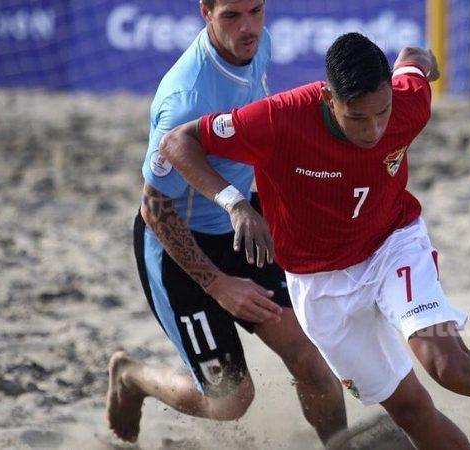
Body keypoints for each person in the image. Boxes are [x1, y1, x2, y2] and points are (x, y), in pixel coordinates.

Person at [158, 32, 470, 450]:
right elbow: (178, 141)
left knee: (449, 365)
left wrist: (419, 59)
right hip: (318, 283)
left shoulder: (409, 102)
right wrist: (235, 204)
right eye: (357, 118)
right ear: (328, 98)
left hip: (391, 245)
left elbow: (413, 60)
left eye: (382, 113)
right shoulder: (279, 118)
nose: (373, 130)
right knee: (411, 411)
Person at [105, 0, 346, 444]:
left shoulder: (258, 44)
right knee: (232, 400)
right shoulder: (187, 98)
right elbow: (154, 207)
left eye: (255, 10)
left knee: (310, 357)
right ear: (205, 12)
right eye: (232, 15)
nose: (248, 27)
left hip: (240, 230)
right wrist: (219, 285)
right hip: (178, 249)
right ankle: (132, 375)